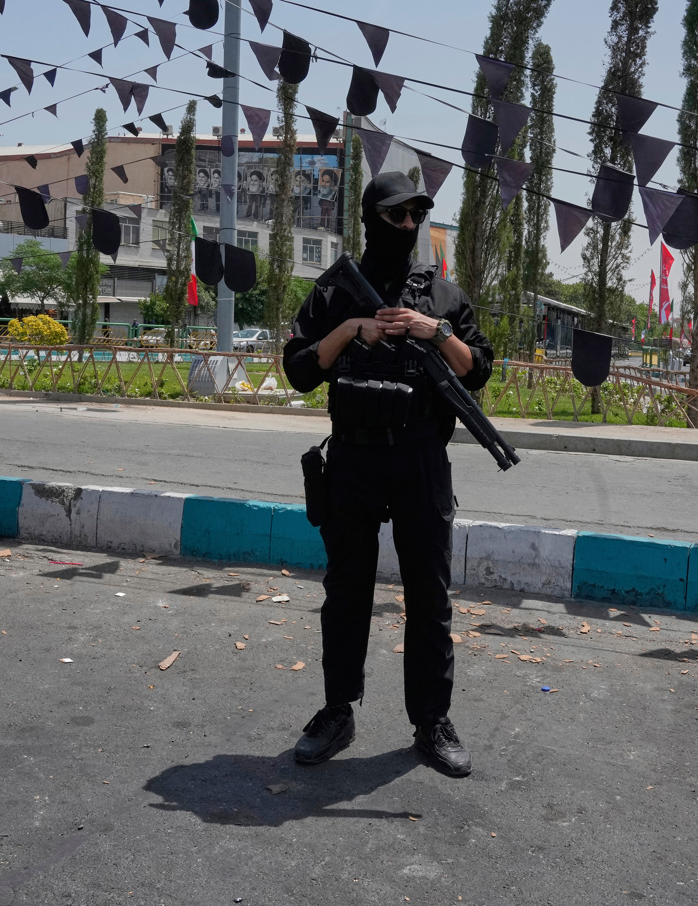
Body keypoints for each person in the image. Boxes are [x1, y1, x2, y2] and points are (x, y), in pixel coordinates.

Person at [282, 171, 492, 778]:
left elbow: (478, 369)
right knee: (347, 591)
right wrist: (351, 330)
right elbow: (298, 369)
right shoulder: (334, 291)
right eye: (398, 216)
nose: (408, 226)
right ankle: (337, 712)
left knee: (429, 594)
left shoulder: (443, 296)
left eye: (415, 216)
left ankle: (431, 722)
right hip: (352, 458)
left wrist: (436, 330)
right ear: (373, 217)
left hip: (420, 457)